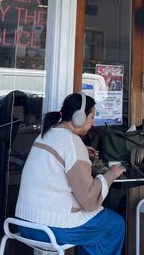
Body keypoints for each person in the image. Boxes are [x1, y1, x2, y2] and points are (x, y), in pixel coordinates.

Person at [15, 93, 126, 254]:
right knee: (114, 225)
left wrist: (81, 152)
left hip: (25, 223)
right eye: (92, 117)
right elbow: (89, 199)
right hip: (51, 228)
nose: (93, 122)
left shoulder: (46, 134)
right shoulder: (72, 142)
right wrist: (110, 174)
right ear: (79, 118)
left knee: (97, 227)